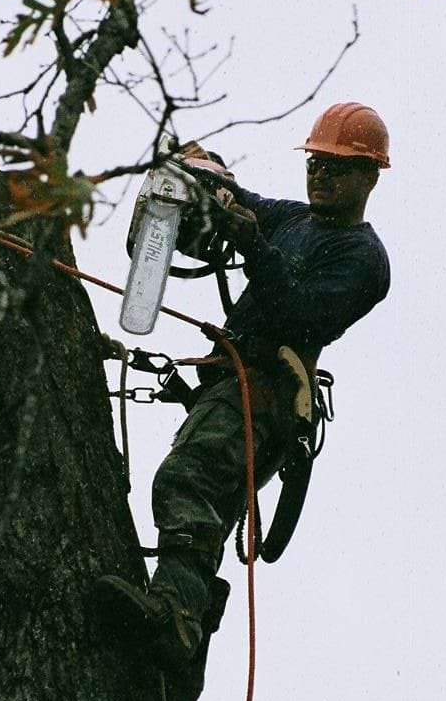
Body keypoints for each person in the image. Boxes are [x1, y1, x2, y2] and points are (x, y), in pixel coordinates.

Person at [95, 101, 392, 671]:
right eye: (314, 166)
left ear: (368, 176)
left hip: (271, 393)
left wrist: (254, 245)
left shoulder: (364, 259)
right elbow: (247, 206)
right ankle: (182, 653)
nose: (319, 178)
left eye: (334, 169)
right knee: (201, 497)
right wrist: (207, 178)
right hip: (230, 382)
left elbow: (304, 314)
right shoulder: (295, 219)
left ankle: (173, 620)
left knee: (189, 481)